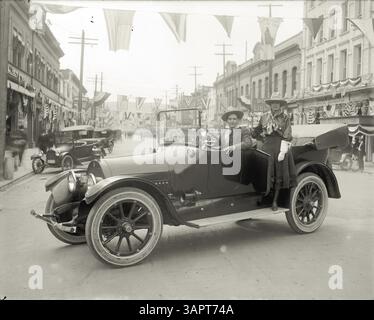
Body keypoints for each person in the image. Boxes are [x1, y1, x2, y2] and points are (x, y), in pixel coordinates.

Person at [252, 93, 297, 211]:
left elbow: (288, 135)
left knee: (278, 174)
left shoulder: (285, 118)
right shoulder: (264, 117)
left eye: (278, 103)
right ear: (270, 105)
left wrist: (283, 150)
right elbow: (256, 131)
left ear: (280, 105)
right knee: (265, 173)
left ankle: (275, 201)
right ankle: (263, 197)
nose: (275, 105)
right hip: (267, 147)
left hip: (279, 146)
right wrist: (259, 138)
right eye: (273, 103)